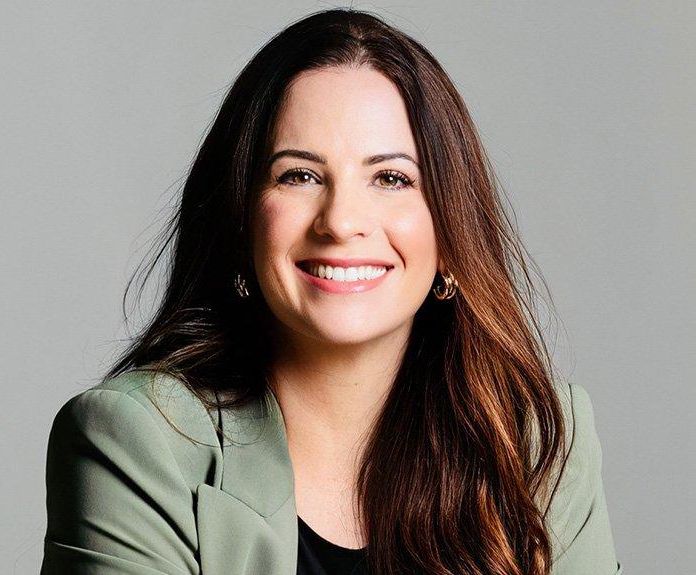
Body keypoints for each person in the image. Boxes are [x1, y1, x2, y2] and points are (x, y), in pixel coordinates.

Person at [40, 8, 622, 575]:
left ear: (450, 233)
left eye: (391, 178)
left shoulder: (537, 443)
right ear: (242, 220)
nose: (342, 221)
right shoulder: (139, 442)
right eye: (299, 175)